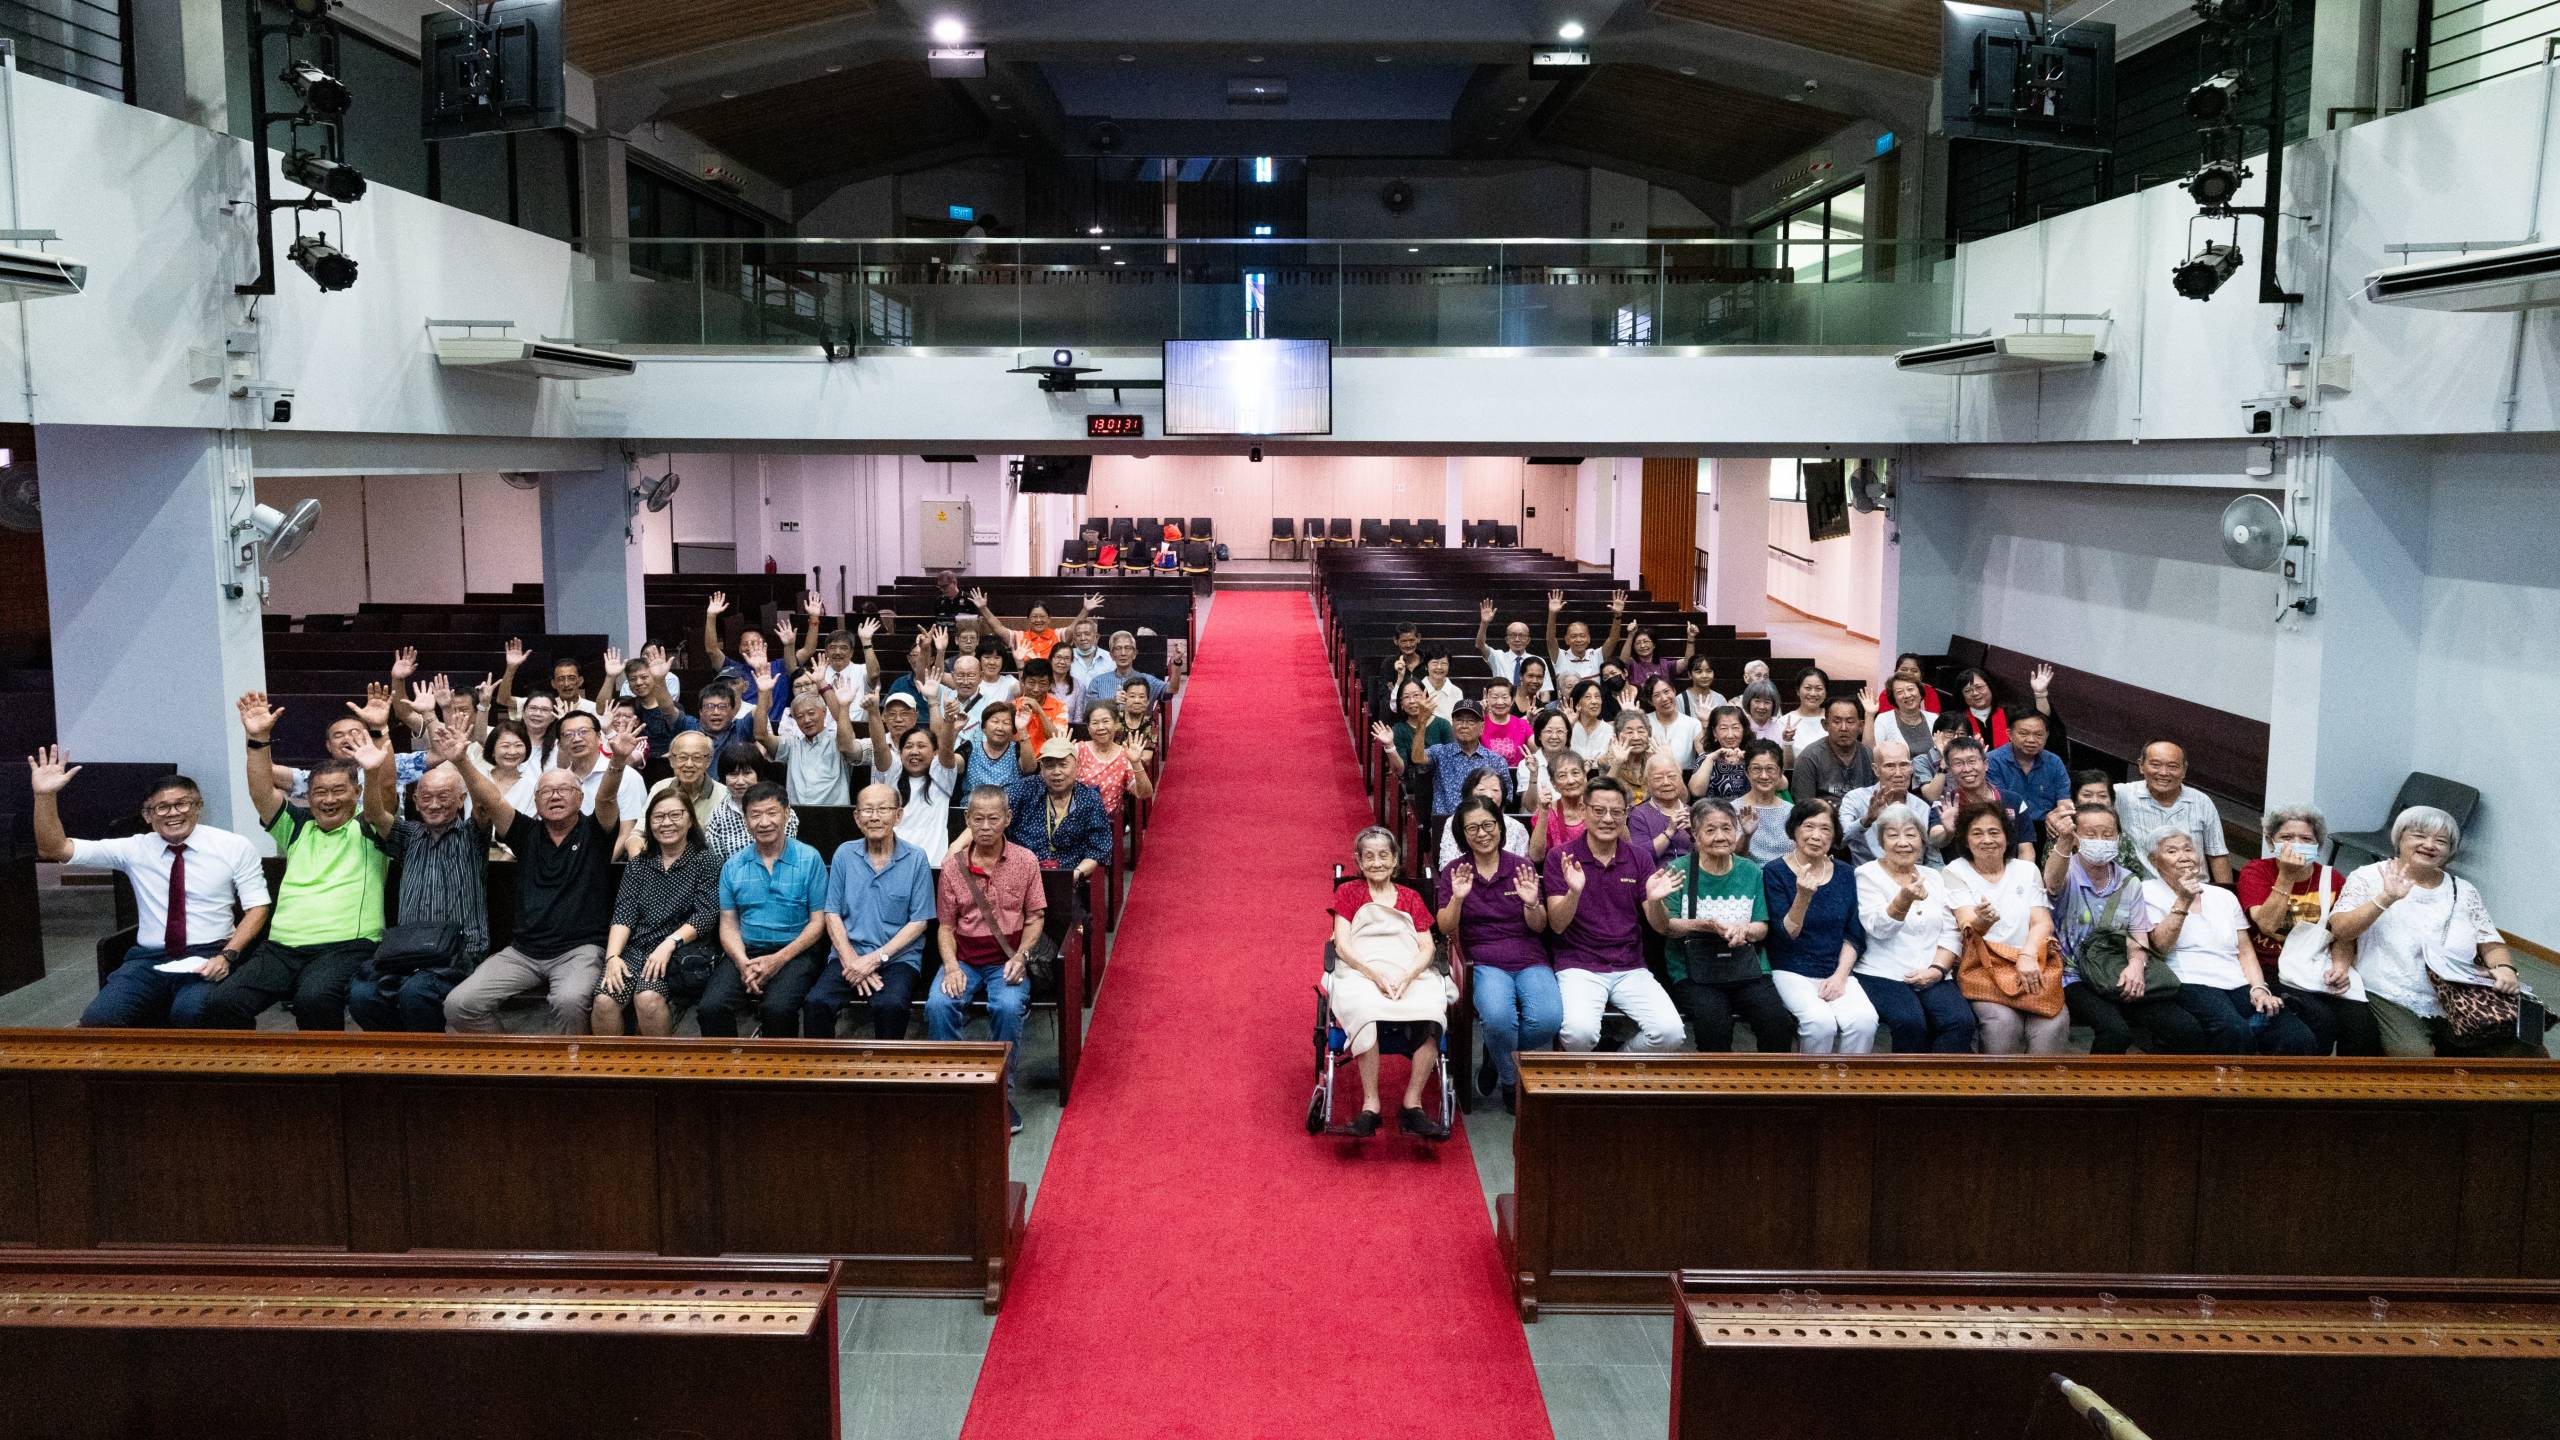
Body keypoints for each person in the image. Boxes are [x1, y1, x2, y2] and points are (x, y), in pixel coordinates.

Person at [34, 750, 271, 1029]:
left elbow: (258, 908)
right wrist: (44, 796)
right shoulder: (135, 848)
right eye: (161, 807)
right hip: (149, 959)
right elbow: (53, 848)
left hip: (211, 952)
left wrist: (227, 955)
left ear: (198, 807)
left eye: (182, 804)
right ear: (147, 816)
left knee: (192, 1012)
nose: (172, 813)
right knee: (99, 1019)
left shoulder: (233, 846)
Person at [204, 693, 393, 1030]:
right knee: (222, 1002)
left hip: (347, 946)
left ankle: (325, 1078)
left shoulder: (369, 827)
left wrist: (379, 733)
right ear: (309, 796)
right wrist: (258, 739)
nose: (329, 799)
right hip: (282, 947)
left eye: (339, 791)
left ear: (357, 794)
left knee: (314, 999)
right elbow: (262, 791)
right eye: (320, 792)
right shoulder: (296, 827)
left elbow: (388, 793)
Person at [437, 714, 634, 1034]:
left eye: (563, 790)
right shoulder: (526, 833)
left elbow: (607, 797)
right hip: (523, 952)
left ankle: (572, 1069)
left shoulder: (596, 832)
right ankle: (514, 1063)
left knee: (569, 1001)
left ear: (579, 797)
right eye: (546, 792)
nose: (555, 796)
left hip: (579, 950)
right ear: (536, 802)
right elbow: (491, 799)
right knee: (459, 1004)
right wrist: (461, 760)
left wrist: (618, 761)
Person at [2327, 805, 2538, 1057]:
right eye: (2419, 836)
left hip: (2457, 992)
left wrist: (2504, 968)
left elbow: (2490, 940)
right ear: (2399, 839)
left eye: (2441, 841)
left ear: (2449, 852)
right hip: (2390, 992)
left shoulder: (2464, 890)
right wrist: (2386, 898)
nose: (2430, 845)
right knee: (2416, 1060)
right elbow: (2340, 929)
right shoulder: (2369, 877)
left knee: (2525, 1047)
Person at [930, 786, 1047, 1134]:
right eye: (977, 818)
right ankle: (954, 1087)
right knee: (938, 1004)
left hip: (1006, 959)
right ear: (966, 820)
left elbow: (1035, 917)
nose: (985, 826)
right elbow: (946, 926)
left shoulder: (1025, 860)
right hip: (964, 957)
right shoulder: (953, 866)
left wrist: (1022, 956)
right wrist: (950, 966)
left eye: (993, 818)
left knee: (1008, 1008)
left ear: (1007, 819)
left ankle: (1000, 1093)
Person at [2136, 829, 2316, 1055]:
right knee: (2234, 1031)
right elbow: (2160, 947)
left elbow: (2245, 952)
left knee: (2296, 1036)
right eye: (2172, 851)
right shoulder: (2146, 892)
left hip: (2236, 982)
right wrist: (2183, 900)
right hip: (2187, 981)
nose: (2184, 856)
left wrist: (2260, 988)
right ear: (2155, 861)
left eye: (2189, 849)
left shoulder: (2223, 896)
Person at [346, 760, 489, 1032]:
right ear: (416, 800)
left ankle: (428, 1064)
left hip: (460, 951)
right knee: (362, 996)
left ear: (460, 800)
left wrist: (461, 759)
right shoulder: (409, 835)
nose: (434, 804)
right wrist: (372, 770)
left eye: (444, 796)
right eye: (426, 797)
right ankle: (398, 1057)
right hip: (406, 952)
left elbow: (484, 805)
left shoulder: (473, 836)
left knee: (416, 994)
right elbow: (375, 814)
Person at [2051, 802, 2205, 1055]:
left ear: (2119, 837)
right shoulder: (2067, 871)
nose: (2100, 840)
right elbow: (2053, 883)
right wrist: (2063, 843)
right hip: (2074, 975)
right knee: (2116, 1031)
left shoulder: (2129, 880)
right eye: (2091, 834)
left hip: (2118, 971)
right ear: (2076, 836)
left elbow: (2137, 936)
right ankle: (2096, 1092)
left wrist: (2136, 967)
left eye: (2108, 834)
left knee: (2185, 1029)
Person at [1545, 777, 1685, 1054]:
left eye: (1616, 812)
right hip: (1579, 964)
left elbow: (1660, 927)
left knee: (1671, 1034)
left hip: (1629, 965)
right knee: (1578, 1035)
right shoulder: (1560, 857)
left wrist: (1656, 902)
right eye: (1599, 811)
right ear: (1584, 811)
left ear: (1626, 815)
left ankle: (1617, 1063)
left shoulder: (1639, 859)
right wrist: (1574, 892)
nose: (1608, 819)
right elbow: (1557, 926)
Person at [1645, 797, 1793, 1053]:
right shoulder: (1678, 870)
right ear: (1695, 835)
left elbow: (1762, 927)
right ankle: (1716, 1090)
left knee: (1777, 1023)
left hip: (1745, 966)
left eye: (1727, 828)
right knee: (1714, 1023)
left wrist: (1743, 930)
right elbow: (1666, 927)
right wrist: (1707, 925)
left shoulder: (1750, 871)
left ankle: (1771, 1089)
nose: (1720, 836)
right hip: (1693, 971)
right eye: (1710, 830)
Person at [1434, 797, 1553, 1111]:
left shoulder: (1522, 866)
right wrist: (1458, 899)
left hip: (1529, 957)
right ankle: (1510, 1082)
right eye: (1472, 828)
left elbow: (1540, 926)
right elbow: (1445, 926)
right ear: (1463, 834)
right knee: (1499, 1020)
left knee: (1548, 1020)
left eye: (1487, 825)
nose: (1482, 833)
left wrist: (1531, 903)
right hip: (1483, 961)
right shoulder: (1454, 871)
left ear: (1500, 827)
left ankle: (1495, 1050)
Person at [803, 783, 937, 1041]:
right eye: (867, 810)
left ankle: (884, 1078)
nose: (874, 817)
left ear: (898, 815)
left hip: (897, 959)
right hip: (847, 956)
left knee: (890, 1007)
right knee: (816, 1003)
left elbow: (919, 922)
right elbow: (832, 914)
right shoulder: (844, 853)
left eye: (883, 809)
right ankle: (822, 1078)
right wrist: (852, 960)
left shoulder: (916, 858)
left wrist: (874, 960)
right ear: (856, 817)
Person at [2237, 804, 2374, 1056]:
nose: (2296, 844)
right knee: (2321, 1019)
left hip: (2317, 965)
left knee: (2360, 1025)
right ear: (2271, 842)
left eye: (2306, 839)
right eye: (2286, 838)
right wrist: (2287, 877)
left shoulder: (2333, 880)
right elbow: (2267, 925)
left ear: (2318, 846)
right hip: (2272, 968)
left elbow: (2343, 934)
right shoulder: (2256, 871)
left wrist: (2341, 967)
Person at [697, 783, 830, 1038]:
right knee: (711, 1007)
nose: (764, 822)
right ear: (746, 820)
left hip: (795, 951)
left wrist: (778, 960)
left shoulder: (809, 858)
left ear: (786, 814)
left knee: (777, 1009)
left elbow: (817, 923)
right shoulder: (733, 866)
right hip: (746, 952)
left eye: (772, 812)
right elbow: (728, 924)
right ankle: (728, 1072)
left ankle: (782, 1075)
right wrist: (742, 962)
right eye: (755, 815)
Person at [591, 789, 721, 1037]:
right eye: (659, 817)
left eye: (675, 815)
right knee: (604, 1002)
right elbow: (624, 912)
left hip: (679, 951)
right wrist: (612, 957)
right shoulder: (639, 862)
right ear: (649, 823)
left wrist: (668, 944)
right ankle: (610, 1073)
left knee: (647, 998)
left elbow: (705, 914)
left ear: (690, 819)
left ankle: (659, 1073)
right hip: (637, 947)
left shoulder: (706, 861)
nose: (667, 823)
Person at [1942, 800, 2067, 1054]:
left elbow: (2042, 921)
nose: (1987, 839)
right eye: (1977, 833)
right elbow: (1969, 927)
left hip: (2031, 963)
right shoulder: (1955, 871)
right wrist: (1984, 920)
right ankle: (1997, 1093)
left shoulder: (2026, 870)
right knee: (2003, 1024)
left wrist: (2028, 954)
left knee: (2054, 1022)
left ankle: (2041, 1093)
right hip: (1985, 967)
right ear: (1965, 841)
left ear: (2007, 837)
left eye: (1994, 832)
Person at [1852, 803, 1974, 1053]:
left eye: (1910, 834)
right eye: (1893, 835)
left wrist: (1938, 969)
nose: (1903, 842)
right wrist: (1903, 900)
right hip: (1882, 972)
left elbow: (1950, 930)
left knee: (1960, 1021)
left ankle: (1936, 1087)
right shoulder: (1866, 875)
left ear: (1922, 840)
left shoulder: (1934, 876)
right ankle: (1903, 1089)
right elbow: (1878, 928)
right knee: (1911, 1022)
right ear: (1881, 841)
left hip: (1932, 970)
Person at [1763, 799, 1878, 1052]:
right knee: (1820, 1022)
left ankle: (1848, 1088)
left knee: (1864, 1021)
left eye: (1826, 829)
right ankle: (1812, 1089)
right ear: (1794, 830)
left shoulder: (1846, 872)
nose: (1816, 836)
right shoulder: (1775, 871)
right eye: (1808, 826)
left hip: (1836, 969)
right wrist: (1803, 896)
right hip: (1791, 970)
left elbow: (1854, 933)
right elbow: (1786, 934)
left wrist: (1840, 976)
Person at [508, 710, 647, 853]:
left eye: (583, 732)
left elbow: (627, 833)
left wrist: (598, 867)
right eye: (568, 735)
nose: (576, 739)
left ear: (599, 737)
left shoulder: (627, 776)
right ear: (560, 744)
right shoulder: (556, 780)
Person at [2114, 741, 2232, 885]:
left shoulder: (2201, 801)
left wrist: (2226, 895)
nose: (2163, 773)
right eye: (2155, 765)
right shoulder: (2122, 795)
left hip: (2196, 893)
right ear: (2141, 765)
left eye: (2172, 766)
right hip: (2145, 896)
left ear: (2184, 770)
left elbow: (2217, 854)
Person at [868, 684, 961, 866]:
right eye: (908, 747)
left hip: (932, 864)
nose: (914, 751)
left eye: (922, 746)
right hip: (893, 863)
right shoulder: (893, 773)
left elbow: (947, 748)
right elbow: (879, 747)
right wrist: (873, 713)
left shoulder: (942, 777)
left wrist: (949, 720)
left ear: (934, 752)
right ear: (900, 752)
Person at [751, 673, 866, 808]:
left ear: (823, 713)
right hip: (798, 817)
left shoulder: (837, 740)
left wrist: (844, 706)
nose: (806, 720)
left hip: (834, 818)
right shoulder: (791, 745)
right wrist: (763, 694)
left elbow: (847, 744)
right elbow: (761, 735)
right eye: (799, 716)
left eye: (811, 713)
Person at [1929, 735, 2023, 864]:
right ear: (1950, 770)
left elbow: (2025, 848)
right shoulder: (1945, 802)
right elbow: (1935, 838)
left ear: (1985, 764)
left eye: (1972, 761)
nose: (1967, 769)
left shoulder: (2013, 800)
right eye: (1958, 763)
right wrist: (1948, 832)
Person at [703, 591, 792, 723]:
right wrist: (711, 616)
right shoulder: (732, 669)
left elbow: (808, 651)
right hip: (740, 725)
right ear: (739, 648)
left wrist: (789, 644)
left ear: (765, 645)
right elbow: (711, 650)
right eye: (745, 644)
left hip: (775, 727)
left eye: (755, 643)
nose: (750, 647)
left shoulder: (780, 665)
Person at [1837, 738, 1927, 866]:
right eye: (1890, 766)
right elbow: (1840, 840)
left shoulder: (1922, 807)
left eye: (1903, 765)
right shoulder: (1855, 799)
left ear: (1911, 767)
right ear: (1875, 769)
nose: (1898, 773)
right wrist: (1866, 820)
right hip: (1869, 877)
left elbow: (1931, 856)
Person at [705, 742, 799, 859]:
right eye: (733, 774)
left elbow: (788, 853)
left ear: (758, 774)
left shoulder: (780, 808)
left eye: (747, 773)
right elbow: (716, 860)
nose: (740, 781)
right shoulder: (718, 814)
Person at [1985, 710, 2070, 837]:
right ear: (2009, 734)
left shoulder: (2055, 762)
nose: (2031, 740)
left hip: (2046, 826)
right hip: (2007, 825)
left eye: (2038, 735)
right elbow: (1999, 804)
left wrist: (2057, 815)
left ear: (2047, 735)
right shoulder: (1992, 760)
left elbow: (2064, 801)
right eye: (2023, 733)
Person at [1077, 629, 1183, 723]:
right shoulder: (1097, 682)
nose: (1123, 653)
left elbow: (1172, 689)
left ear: (1134, 654)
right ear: (1111, 655)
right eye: (1118, 648)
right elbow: (1088, 711)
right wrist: (1112, 703)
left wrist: (1177, 664)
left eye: (1127, 648)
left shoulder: (1147, 680)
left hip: (1139, 737)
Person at [1075, 700, 1156, 823]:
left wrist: (1136, 762)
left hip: (1107, 822)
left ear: (1116, 724)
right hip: (1076, 818)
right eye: (1095, 723)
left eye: (1106, 721)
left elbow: (1145, 793)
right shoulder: (1078, 749)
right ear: (1088, 728)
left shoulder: (1124, 755)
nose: (1101, 727)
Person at [1789, 694, 1875, 805]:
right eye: (1837, 721)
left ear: (1860, 726)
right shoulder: (1809, 758)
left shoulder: (1869, 755)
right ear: (1825, 725)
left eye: (1850, 722)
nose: (1843, 728)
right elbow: (1803, 807)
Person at [1944, 664, 2053, 749]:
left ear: (1990, 687)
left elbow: (2041, 720)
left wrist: (2040, 694)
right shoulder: (1958, 721)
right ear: (1962, 696)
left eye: (1979, 687)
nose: (1975, 693)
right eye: (1968, 691)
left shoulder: (2011, 713)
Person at [1437, 768, 1528, 866]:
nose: (1488, 795)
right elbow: (1446, 865)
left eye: (1495, 790)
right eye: (1481, 789)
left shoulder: (1516, 827)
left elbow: (1521, 867)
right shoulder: (1453, 822)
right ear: (1469, 792)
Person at [974, 588, 1091, 663]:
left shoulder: (1059, 635)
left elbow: (1074, 627)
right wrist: (983, 609)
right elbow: (998, 628)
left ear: (1049, 619)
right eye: (1034, 617)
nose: (1038, 620)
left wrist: (1085, 610)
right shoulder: (1018, 637)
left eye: (1042, 616)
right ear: (1028, 620)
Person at [1869, 675, 1943, 783]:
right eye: (1900, 692)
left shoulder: (1934, 718)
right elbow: (1872, 752)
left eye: (1910, 689)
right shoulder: (1884, 719)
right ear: (1893, 698)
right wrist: (1869, 715)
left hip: (1933, 783)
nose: (1907, 695)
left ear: (1919, 692)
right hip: (1897, 782)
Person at [646, 731, 721, 833]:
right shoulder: (660, 788)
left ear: (708, 761)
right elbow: (639, 832)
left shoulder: (724, 796)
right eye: (683, 757)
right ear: (671, 760)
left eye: (696, 758)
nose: (689, 764)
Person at [1626, 754, 1695, 865]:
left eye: (1672, 776)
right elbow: (1639, 857)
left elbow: (1710, 854)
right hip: (1657, 877)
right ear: (1648, 782)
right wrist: (1669, 832)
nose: (1666, 783)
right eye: (1658, 778)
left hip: (1693, 877)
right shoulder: (1638, 815)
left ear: (1681, 778)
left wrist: (1694, 833)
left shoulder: (1695, 813)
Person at [1544, 587, 1620, 688]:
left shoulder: (1596, 655)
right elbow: (1550, 639)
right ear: (1567, 640)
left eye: (1582, 636)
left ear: (1589, 639)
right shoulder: (1560, 657)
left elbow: (1613, 639)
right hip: (1568, 703)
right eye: (1574, 636)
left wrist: (1618, 615)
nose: (1578, 640)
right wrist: (1552, 614)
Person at [1526, 750, 1590, 865]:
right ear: (1553, 784)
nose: (1570, 781)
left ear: (1585, 776)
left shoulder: (1598, 807)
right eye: (1562, 776)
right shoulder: (1548, 812)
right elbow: (1536, 857)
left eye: (1575, 773)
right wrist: (1544, 812)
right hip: (1559, 876)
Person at [1735, 740, 1793, 863]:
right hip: (1749, 876)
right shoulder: (1733, 809)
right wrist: (1746, 836)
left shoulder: (1792, 812)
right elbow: (1732, 858)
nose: (1764, 776)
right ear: (1747, 772)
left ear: (1780, 772)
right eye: (1756, 769)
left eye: (1770, 769)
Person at [958, 699, 1031, 793]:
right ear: (984, 727)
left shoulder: (1018, 750)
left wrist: (1022, 729)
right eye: (995, 721)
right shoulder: (970, 749)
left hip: (1008, 806)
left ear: (1013, 729)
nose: (1000, 728)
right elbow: (948, 765)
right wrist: (953, 730)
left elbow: (1029, 768)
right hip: (974, 806)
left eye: (1006, 723)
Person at [1688, 705, 1751, 800]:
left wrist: (1749, 759)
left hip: (1747, 813)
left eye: (1735, 727)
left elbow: (1769, 787)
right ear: (1714, 733)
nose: (1730, 735)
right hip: (1713, 813)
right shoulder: (1705, 758)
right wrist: (1711, 758)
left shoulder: (1754, 756)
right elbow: (1696, 791)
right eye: (1723, 728)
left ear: (1744, 730)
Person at [1620, 616, 1695, 695]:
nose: (1642, 645)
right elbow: (1621, 663)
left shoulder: (1665, 664)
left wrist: (1691, 638)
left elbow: (1687, 662)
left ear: (1654, 645)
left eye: (1646, 641)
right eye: (1638, 643)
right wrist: (1631, 635)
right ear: (1634, 647)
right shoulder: (1631, 664)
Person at [1516, 708, 1573, 811]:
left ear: (1567, 734)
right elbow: (1530, 807)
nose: (1554, 736)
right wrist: (1533, 775)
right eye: (1548, 731)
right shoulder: (1526, 764)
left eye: (1560, 731)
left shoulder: (1574, 762)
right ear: (1539, 735)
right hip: (1536, 823)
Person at [1642, 677, 1703, 773]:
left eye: (1666, 691)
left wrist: (1705, 723)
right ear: (1650, 701)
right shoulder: (1644, 722)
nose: (1664, 698)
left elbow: (1704, 756)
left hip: (1684, 779)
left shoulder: (1693, 724)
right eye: (1657, 695)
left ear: (1674, 691)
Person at [1476, 598, 1537, 688]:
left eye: (1521, 635)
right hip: (1502, 700)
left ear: (1528, 640)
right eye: (1513, 635)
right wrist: (1484, 623)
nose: (1517, 639)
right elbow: (1480, 644)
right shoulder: (1498, 656)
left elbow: (1545, 692)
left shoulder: (1536, 661)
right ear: (1507, 640)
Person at [1773, 668, 1830, 764]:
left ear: (1826, 692)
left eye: (1819, 689)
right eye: (1808, 688)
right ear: (1798, 691)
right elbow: (1785, 766)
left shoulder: (1834, 719)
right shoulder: (1784, 721)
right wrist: (1787, 742)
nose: (1813, 693)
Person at [1478, 677, 1531, 765]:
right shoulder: (1479, 723)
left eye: (1504, 697)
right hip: (1485, 776)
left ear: (1512, 700)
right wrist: (1478, 716)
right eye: (1495, 697)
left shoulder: (1522, 724)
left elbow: (1539, 748)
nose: (1499, 702)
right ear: (1487, 698)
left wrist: (1536, 724)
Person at [1564, 680, 1613, 763]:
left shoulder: (1609, 730)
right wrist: (1568, 726)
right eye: (1588, 697)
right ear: (1577, 704)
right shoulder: (1568, 727)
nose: (1594, 701)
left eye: (1597, 696)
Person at [1678, 653, 1729, 721]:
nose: (1704, 675)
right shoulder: (1680, 700)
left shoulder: (1720, 699)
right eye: (1699, 672)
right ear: (1690, 675)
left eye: (1709, 671)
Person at [1738, 679, 1786, 745]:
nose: (1762, 707)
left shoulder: (1781, 729)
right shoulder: (1740, 728)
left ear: (1774, 705)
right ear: (1749, 702)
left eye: (1767, 702)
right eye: (1757, 701)